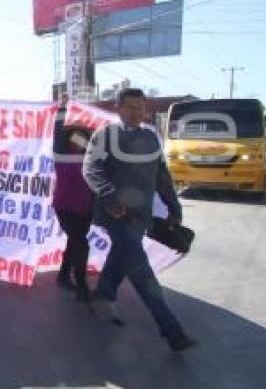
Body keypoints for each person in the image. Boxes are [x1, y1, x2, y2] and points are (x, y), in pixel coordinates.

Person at [82, 88, 197, 352]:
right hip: (115, 213)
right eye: (131, 108)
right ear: (118, 107)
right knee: (141, 270)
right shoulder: (105, 135)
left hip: (141, 215)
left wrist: (174, 206)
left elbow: (161, 176)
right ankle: (172, 331)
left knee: (120, 257)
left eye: (141, 108)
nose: (137, 113)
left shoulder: (150, 138)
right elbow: (91, 170)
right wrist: (110, 196)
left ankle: (102, 298)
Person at [52, 94, 94, 303]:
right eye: (75, 136)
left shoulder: (91, 158)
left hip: (85, 208)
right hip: (65, 207)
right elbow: (57, 132)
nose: (80, 140)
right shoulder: (60, 153)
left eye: (83, 137)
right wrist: (62, 109)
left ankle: (62, 276)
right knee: (81, 244)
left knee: (75, 241)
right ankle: (82, 284)